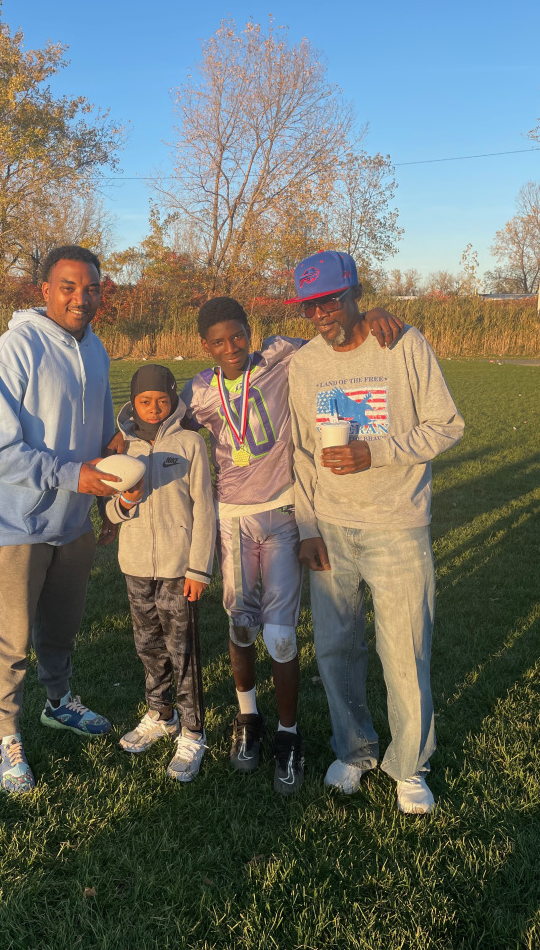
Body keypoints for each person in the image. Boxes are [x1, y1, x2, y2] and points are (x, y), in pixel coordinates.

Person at [180, 295, 402, 795]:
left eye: (238, 336)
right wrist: (127, 429)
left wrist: (367, 316)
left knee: (280, 636)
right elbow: (167, 419)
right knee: (240, 626)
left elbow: (335, 337)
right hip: (232, 519)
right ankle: (248, 719)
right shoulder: (200, 390)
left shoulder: (281, 357)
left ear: (250, 331)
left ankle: (289, 733)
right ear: (205, 347)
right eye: (219, 342)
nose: (231, 347)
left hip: (282, 514)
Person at [287, 250, 465, 814]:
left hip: (398, 525)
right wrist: (307, 526)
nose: (321, 314)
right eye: (310, 306)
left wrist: (377, 451)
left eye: (331, 300)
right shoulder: (304, 364)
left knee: (404, 650)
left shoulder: (403, 344)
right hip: (332, 530)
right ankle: (355, 749)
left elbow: (447, 425)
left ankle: (409, 764)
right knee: (337, 648)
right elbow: (299, 452)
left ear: (356, 292)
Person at [0, 244, 122, 795]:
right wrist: (72, 476)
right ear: (44, 290)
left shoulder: (97, 349)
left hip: (74, 521)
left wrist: (110, 475)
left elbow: (105, 430)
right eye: (68, 286)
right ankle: (5, 737)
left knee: (61, 627)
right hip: (17, 523)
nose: (81, 298)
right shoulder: (17, 348)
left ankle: (58, 704)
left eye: (91, 288)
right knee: (10, 638)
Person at [105, 365, 216, 782]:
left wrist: (198, 568)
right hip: (135, 565)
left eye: (162, 401)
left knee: (181, 648)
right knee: (147, 644)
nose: (153, 409)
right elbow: (111, 511)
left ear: (173, 403)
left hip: (177, 567)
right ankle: (160, 713)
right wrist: (126, 502)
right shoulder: (121, 449)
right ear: (132, 404)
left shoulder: (190, 444)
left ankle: (193, 730)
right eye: (145, 402)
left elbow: (205, 509)